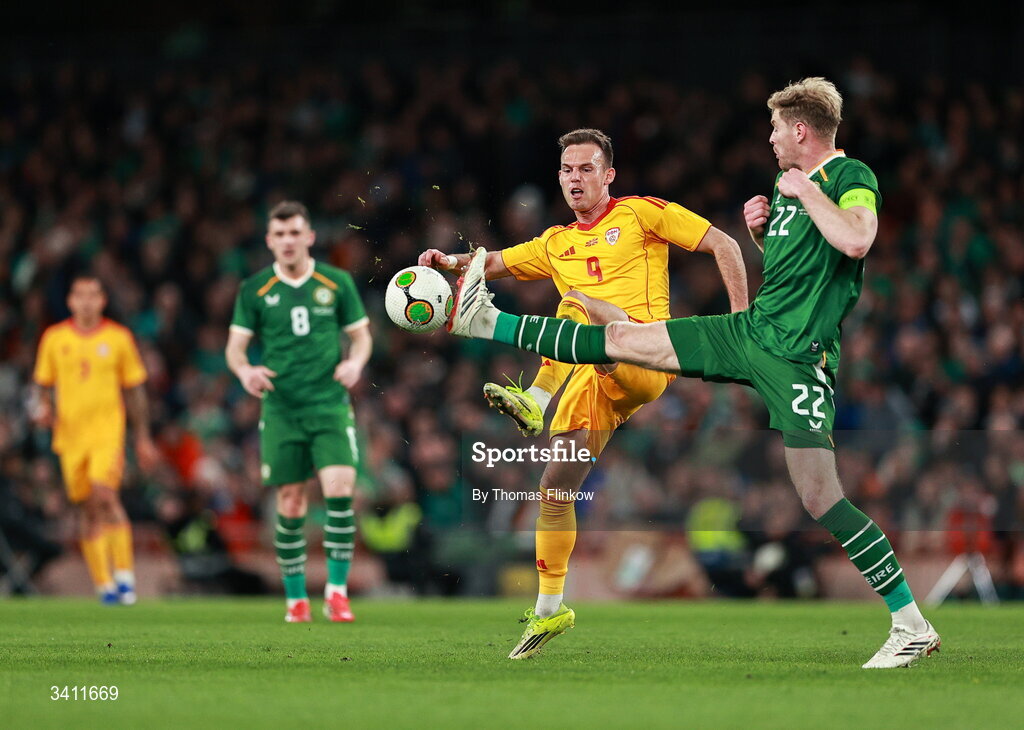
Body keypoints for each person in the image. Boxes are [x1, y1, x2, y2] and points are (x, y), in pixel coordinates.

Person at [445, 79, 940, 669]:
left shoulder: (849, 175)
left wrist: (803, 193)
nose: (771, 137)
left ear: (802, 130)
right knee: (613, 350)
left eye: (778, 128)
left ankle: (910, 622)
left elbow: (857, 241)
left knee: (819, 495)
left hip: (798, 357)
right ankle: (487, 326)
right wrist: (763, 234)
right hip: (750, 333)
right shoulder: (782, 193)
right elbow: (794, 274)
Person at [420, 128, 748, 659]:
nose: (576, 178)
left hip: (644, 355)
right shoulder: (555, 243)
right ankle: (551, 610)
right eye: (568, 170)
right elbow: (495, 261)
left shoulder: (642, 214)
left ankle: (533, 389)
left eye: (587, 168)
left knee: (578, 303)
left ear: (608, 174)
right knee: (554, 489)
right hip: (594, 373)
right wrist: (450, 263)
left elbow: (724, 244)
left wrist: (740, 325)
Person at [226, 200, 371, 623]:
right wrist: (245, 371)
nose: (288, 241)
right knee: (290, 503)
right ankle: (295, 599)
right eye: (280, 234)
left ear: (308, 237)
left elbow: (361, 337)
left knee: (340, 492)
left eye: (295, 233)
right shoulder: (254, 290)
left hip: (329, 406)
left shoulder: (336, 281)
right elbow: (235, 349)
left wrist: (354, 363)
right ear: (270, 241)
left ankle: (337, 593)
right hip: (282, 409)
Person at [31, 274, 160, 605]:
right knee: (88, 508)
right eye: (80, 295)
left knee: (105, 494)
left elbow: (134, 391)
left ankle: (126, 580)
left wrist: (143, 438)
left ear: (102, 301)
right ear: (71, 301)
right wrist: (42, 409)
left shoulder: (118, 338)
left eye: (93, 295)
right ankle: (104, 586)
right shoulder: (54, 338)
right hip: (70, 437)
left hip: (107, 433)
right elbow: (42, 386)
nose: (86, 301)